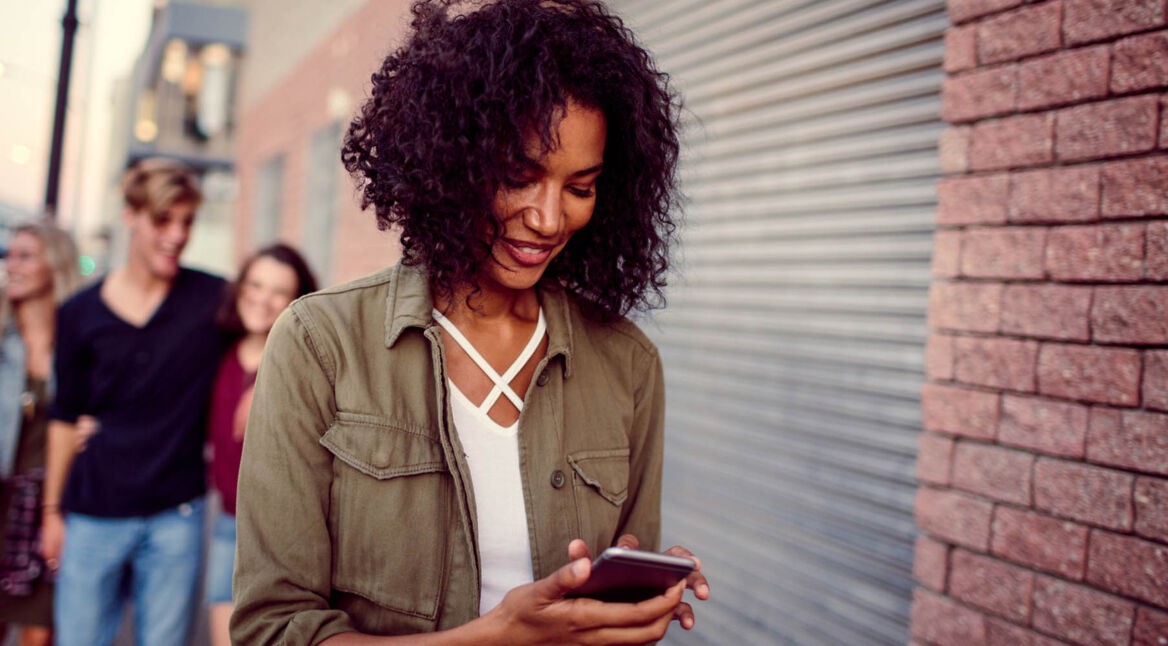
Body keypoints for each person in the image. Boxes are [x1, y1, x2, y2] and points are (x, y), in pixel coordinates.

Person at [231, 0, 709, 643]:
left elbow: (608, 617)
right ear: (452, 160)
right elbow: (272, 630)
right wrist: (501, 633)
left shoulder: (628, 364)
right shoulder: (323, 344)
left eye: (580, 186)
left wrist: (632, 600)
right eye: (520, 175)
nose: (548, 218)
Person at [41, 158, 227, 646]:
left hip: (176, 516)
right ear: (130, 215)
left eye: (186, 222)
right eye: (163, 220)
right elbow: (63, 418)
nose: (177, 235)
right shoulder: (79, 313)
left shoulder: (212, 299)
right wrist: (52, 512)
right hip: (91, 515)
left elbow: (266, 332)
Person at [205, 243, 317, 646]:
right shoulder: (221, 353)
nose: (262, 300)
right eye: (255, 284)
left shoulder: (302, 364)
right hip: (227, 523)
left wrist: (271, 387)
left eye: (278, 292)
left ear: (295, 301)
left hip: (281, 533)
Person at [0, 223, 82, 646]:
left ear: (55, 264)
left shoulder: (76, 341)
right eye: (9, 256)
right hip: (2, 495)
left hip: (48, 502)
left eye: (25, 256)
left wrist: (93, 424)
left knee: (41, 626)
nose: (11, 265)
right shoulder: (1, 336)